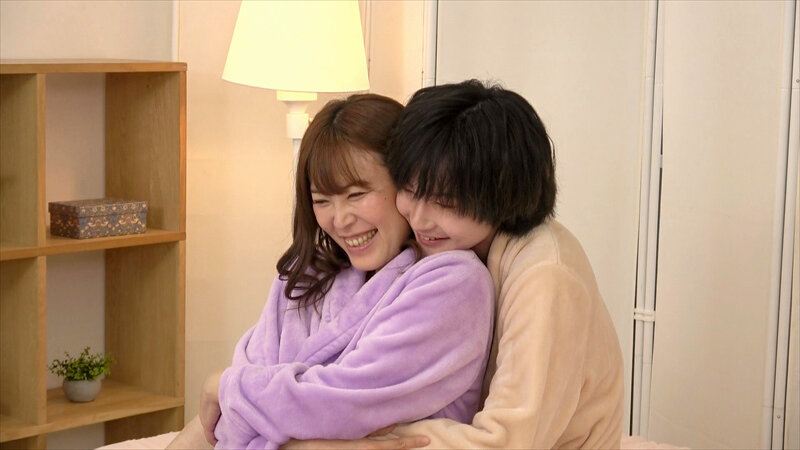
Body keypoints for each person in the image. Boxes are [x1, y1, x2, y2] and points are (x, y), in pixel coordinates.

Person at [287, 80, 624, 449]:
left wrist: (337, 440)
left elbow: (506, 443)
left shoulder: (544, 277)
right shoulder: (446, 251)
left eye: (444, 202)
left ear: (501, 194)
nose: (419, 219)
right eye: (410, 190)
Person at [167, 93, 494, 450]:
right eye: (322, 200)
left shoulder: (454, 282)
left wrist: (225, 387)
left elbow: (345, 400)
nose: (340, 220)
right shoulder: (306, 275)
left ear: (405, 184)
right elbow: (235, 412)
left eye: (356, 195)